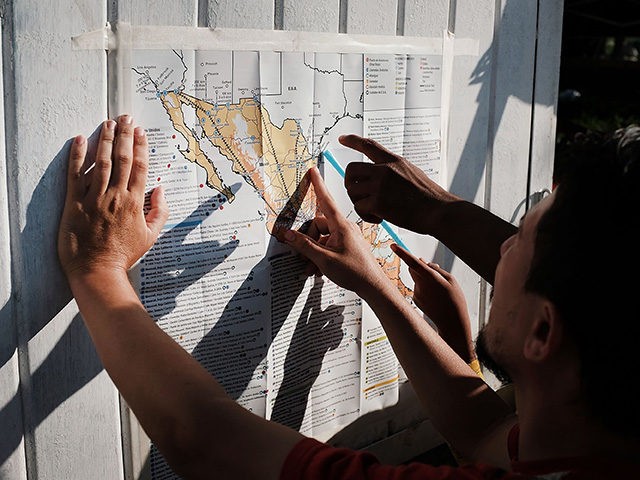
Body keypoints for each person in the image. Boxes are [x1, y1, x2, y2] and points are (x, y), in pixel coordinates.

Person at [58, 115, 640, 479]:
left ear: (543, 334)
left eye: (517, 242)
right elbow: (486, 434)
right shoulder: (596, 448)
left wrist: (99, 269)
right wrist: (374, 282)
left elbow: (209, 446)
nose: (498, 248)